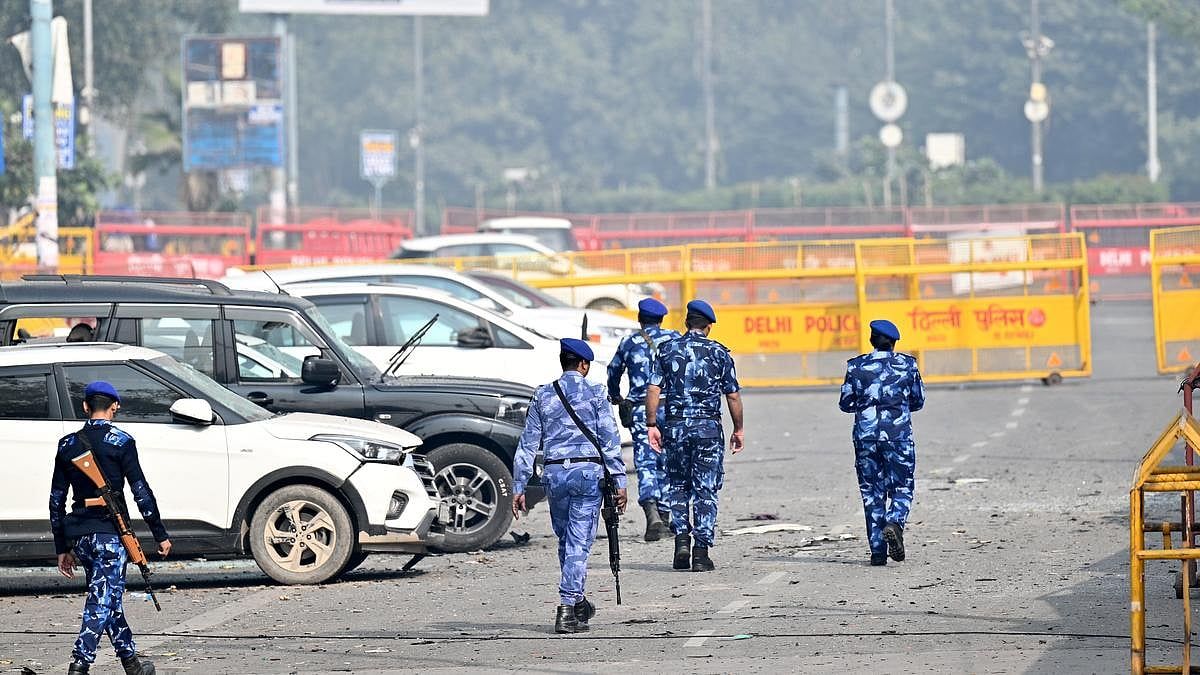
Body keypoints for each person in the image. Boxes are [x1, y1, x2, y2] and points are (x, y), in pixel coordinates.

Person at [50, 381, 171, 675]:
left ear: (85, 407)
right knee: (101, 599)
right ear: (114, 407)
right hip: (109, 535)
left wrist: (62, 547)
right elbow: (141, 492)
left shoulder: (68, 445)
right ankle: (79, 664)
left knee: (109, 597)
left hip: (80, 535)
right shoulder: (122, 442)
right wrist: (160, 533)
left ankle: (132, 664)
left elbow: (56, 499)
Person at [512, 338, 628, 634]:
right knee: (578, 543)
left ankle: (577, 602)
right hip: (588, 474)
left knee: (566, 541)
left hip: (555, 476)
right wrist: (620, 481)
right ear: (584, 365)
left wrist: (519, 485)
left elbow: (528, 443)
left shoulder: (543, 395)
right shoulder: (597, 393)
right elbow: (609, 440)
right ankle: (566, 608)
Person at [646, 300, 743, 572]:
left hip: (676, 428)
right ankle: (701, 552)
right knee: (706, 489)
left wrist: (652, 423)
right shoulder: (719, 353)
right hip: (707, 430)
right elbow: (732, 395)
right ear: (708, 326)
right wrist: (738, 429)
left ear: (686, 323)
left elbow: (654, 390)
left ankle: (681, 542)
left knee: (678, 486)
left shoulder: (666, 350)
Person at [838, 319, 925, 567]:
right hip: (898, 435)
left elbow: (845, 403)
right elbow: (918, 401)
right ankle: (895, 522)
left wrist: (867, 407)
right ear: (894, 342)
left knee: (871, 493)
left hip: (865, 437)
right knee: (902, 487)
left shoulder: (856, 366)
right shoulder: (908, 366)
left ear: (871, 340)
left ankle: (877, 552)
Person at [606, 297, 680, 542]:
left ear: (640, 319)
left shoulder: (630, 342)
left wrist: (616, 396)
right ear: (661, 319)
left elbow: (613, 371)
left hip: (639, 410)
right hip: (670, 408)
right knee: (668, 461)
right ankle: (666, 516)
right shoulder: (674, 338)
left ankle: (653, 518)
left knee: (646, 462)